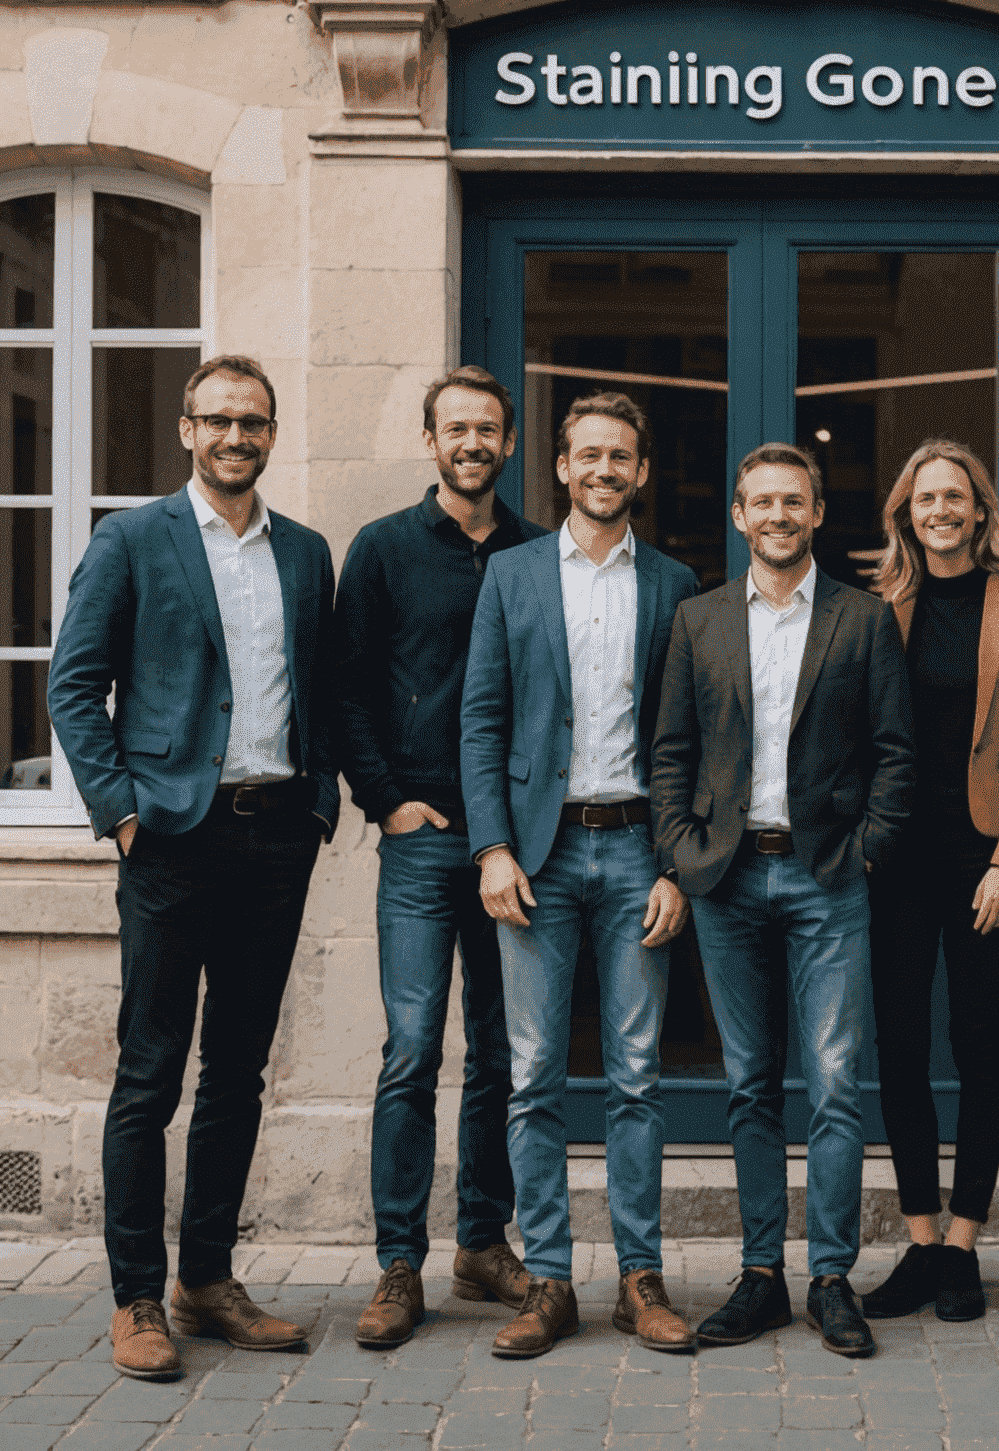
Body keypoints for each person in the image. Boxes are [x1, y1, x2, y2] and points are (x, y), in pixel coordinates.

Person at [48, 355, 339, 1380]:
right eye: (217, 420)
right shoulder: (132, 539)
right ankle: (136, 1297)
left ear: (270, 434)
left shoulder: (304, 554)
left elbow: (324, 687)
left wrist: (318, 800)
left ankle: (205, 1278)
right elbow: (74, 686)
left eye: (252, 423)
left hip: (274, 836)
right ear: (185, 430)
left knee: (239, 1074)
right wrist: (122, 815)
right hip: (172, 839)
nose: (234, 438)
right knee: (150, 1072)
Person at [650, 442, 915, 1360]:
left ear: (815, 513)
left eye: (792, 502)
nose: (776, 516)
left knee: (838, 1082)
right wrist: (682, 854)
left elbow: (895, 752)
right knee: (749, 1082)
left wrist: (865, 851)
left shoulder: (863, 619)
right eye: (760, 502)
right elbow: (672, 750)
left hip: (824, 877)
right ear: (738, 515)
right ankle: (761, 1272)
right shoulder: (699, 620)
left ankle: (831, 1276)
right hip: (726, 878)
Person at [461, 392, 698, 1359]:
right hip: (538, 856)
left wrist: (679, 864)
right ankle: (549, 1280)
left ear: (641, 473)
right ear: (560, 466)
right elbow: (481, 719)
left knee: (638, 1076)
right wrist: (491, 848)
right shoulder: (511, 575)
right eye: (587, 454)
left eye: (622, 457)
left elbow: (690, 739)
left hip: (640, 847)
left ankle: (639, 1278)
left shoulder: (678, 584)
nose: (604, 470)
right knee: (533, 1077)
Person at [334, 365, 545, 1347]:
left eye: (488, 429)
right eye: (455, 428)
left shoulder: (537, 551)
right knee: (414, 1050)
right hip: (425, 844)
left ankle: (480, 1243)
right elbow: (345, 693)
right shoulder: (382, 551)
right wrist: (389, 801)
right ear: (432, 441)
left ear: (508, 442)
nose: (472, 443)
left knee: (503, 1053)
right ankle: (397, 1262)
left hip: (516, 843)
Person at [859, 441, 999, 1323]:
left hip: (984, 858)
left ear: (979, 512)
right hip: (898, 860)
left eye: (956, 496)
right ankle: (921, 1237)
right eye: (924, 496)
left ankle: (967, 1244)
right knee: (899, 1047)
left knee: (979, 1042)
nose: (940, 509)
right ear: (906, 512)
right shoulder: (879, 606)